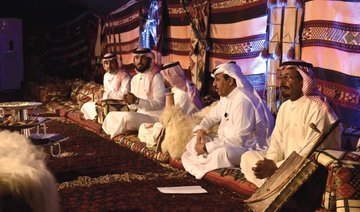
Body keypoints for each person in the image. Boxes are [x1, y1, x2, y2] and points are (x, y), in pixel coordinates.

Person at [240, 60, 342, 188]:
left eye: (288, 77)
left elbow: (310, 151)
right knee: (247, 157)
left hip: (306, 167)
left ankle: (274, 185)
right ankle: (275, 185)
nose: (282, 83)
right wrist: (270, 162)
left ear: (303, 81)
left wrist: (275, 167)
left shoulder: (318, 107)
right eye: (281, 77)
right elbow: (276, 141)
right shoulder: (284, 107)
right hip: (283, 166)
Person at [181, 61, 274, 179]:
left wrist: (206, 148)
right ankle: (203, 158)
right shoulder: (226, 97)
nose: (214, 84)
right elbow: (211, 117)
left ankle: (203, 159)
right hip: (226, 141)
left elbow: (238, 140)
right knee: (195, 140)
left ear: (230, 81)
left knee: (223, 153)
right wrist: (201, 128)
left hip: (249, 147)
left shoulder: (243, 101)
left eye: (218, 80)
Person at [102, 48, 166, 138]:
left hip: (154, 116)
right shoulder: (135, 79)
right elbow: (132, 107)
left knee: (128, 118)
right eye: (136, 58)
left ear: (149, 59)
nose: (139, 61)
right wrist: (129, 101)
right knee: (110, 116)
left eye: (142, 58)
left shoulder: (157, 77)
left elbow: (159, 104)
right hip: (139, 114)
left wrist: (137, 101)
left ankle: (125, 131)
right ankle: (129, 129)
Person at [138, 61, 203, 147]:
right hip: (178, 123)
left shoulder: (182, 93)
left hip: (185, 126)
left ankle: (161, 138)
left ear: (171, 78)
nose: (163, 80)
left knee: (147, 128)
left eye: (164, 77)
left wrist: (161, 124)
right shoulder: (182, 89)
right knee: (144, 126)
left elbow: (174, 119)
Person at [80, 52, 131, 120]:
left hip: (120, 104)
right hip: (107, 102)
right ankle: (97, 116)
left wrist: (106, 94)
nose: (109, 66)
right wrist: (102, 95)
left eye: (111, 63)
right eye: (106, 63)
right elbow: (106, 91)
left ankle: (97, 116)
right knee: (86, 105)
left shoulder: (125, 75)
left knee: (104, 109)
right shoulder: (106, 75)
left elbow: (125, 95)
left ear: (117, 62)